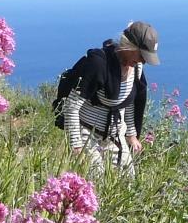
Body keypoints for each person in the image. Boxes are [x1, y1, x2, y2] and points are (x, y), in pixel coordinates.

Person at [58, 21, 160, 176]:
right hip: (86, 131)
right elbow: (72, 106)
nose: (143, 61)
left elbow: (128, 102)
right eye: (141, 55)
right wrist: (76, 145)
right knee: (95, 177)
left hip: (114, 133)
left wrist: (131, 135)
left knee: (128, 180)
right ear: (129, 45)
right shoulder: (99, 64)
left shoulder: (136, 68)